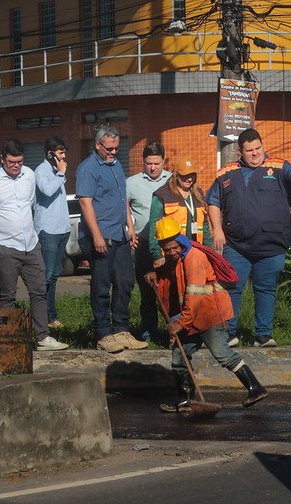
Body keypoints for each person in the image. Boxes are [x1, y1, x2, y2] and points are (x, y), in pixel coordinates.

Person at [206, 128, 291, 348]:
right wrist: (217, 231)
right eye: (250, 150)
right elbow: (213, 201)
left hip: (271, 246)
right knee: (232, 288)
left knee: (266, 289)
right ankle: (228, 333)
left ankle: (263, 335)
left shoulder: (277, 167)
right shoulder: (226, 173)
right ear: (240, 152)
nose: (255, 153)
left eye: (258, 148)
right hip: (236, 246)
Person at [150, 217, 268, 410]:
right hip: (192, 316)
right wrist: (156, 273)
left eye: (174, 248)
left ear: (180, 240)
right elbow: (172, 269)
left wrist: (181, 323)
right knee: (179, 356)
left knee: (223, 355)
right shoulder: (179, 256)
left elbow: (194, 296)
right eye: (167, 249)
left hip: (210, 315)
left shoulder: (194, 258)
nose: (171, 252)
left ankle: (256, 388)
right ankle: (185, 399)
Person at [0, 139, 68, 351]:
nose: (16, 166)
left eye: (19, 161)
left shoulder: (29, 175)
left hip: (31, 244)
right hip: (5, 246)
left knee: (39, 290)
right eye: (11, 162)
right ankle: (7, 340)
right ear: (2, 159)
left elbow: (31, 203)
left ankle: (43, 337)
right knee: (8, 294)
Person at [76, 124, 147, 354]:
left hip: (120, 234)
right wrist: (96, 235)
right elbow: (85, 203)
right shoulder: (88, 168)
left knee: (125, 282)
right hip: (101, 236)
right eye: (109, 148)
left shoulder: (115, 165)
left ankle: (121, 329)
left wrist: (130, 227)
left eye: (117, 148)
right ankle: (103, 333)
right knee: (101, 285)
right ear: (97, 145)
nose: (114, 152)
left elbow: (122, 198)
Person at [126, 142, 172, 342]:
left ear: (163, 161)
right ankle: (149, 331)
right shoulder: (132, 183)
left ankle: (173, 331)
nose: (153, 168)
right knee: (147, 291)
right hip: (144, 244)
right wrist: (130, 230)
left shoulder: (172, 180)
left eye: (156, 163)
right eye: (148, 163)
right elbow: (124, 206)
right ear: (143, 162)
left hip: (168, 245)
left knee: (171, 290)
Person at [146, 154, 211, 288]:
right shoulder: (162, 195)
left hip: (195, 253)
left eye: (192, 175)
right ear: (175, 175)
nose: (189, 179)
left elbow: (205, 226)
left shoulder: (198, 194)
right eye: (184, 175)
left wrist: (209, 251)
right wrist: (157, 255)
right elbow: (154, 226)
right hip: (172, 255)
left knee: (195, 290)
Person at [34, 136, 70, 329]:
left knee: (54, 275)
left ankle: (51, 315)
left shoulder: (57, 171)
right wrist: (61, 174)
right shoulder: (41, 171)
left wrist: (60, 173)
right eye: (60, 152)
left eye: (64, 152)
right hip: (48, 230)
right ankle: (42, 317)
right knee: (46, 275)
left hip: (62, 229)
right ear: (50, 153)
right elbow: (47, 190)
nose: (64, 156)